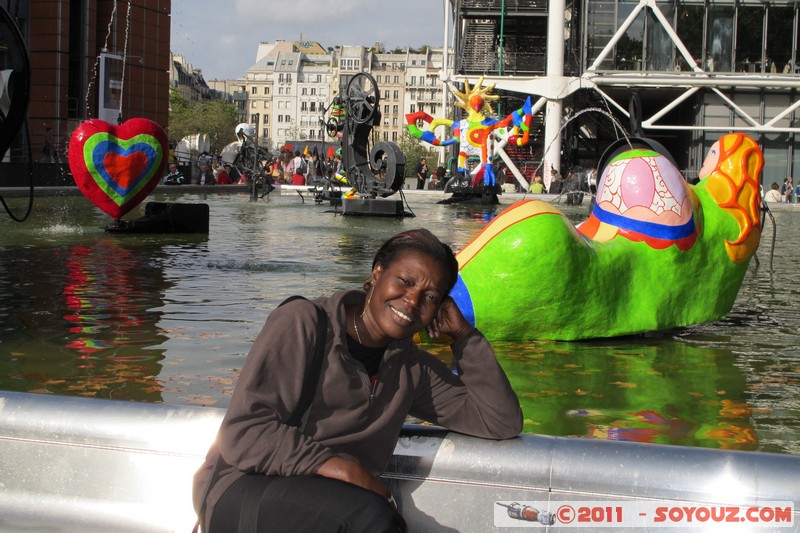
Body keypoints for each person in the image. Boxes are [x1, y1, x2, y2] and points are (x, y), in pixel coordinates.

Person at [193, 229, 523, 533]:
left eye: (431, 297)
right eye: (405, 282)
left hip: (338, 505)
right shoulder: (304, 324)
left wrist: (465, 337)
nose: (412, 301)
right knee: (371, 518)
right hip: (245, 489)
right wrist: (345, 469)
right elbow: (245, 431)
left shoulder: (411, 369)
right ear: (377, 273)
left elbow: (499, 421)